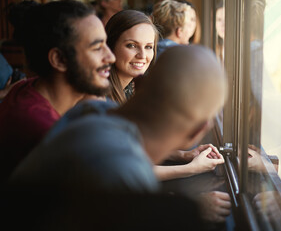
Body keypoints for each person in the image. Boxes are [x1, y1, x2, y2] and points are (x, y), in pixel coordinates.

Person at [9, 45, 230, 224]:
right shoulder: (121, 174)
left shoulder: (91, 112)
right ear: (198, 131)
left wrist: (182, 157)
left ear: (140, 82)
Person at [0, 0, 115, 183]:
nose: (111, 56)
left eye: (106, 44)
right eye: (97, 48)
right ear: (59, 60)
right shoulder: (43, 133)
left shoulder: (27, 87)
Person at [104, 9, 225, 181]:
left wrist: (182, 155)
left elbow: (133, 146)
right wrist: (190, 169)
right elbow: (120, 168)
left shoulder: (131, 87)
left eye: (148, 47)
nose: (142, 56)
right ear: (110, 46)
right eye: (131, 45)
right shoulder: (101, 99)